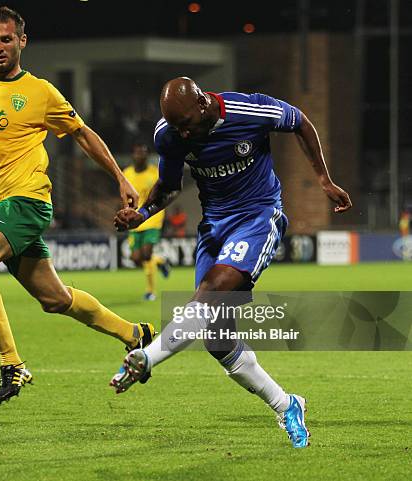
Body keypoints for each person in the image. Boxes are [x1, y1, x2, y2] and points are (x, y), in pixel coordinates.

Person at [0, 6, 154, 405]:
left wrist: (120, 178)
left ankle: (12, 363)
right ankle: (137, 334)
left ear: (21, 42)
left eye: (6, 39)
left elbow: (83, 134)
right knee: (56, 300)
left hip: (27, 200)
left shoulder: (40, 92)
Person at [110, 77, 352, 448]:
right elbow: (170, 186)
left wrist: (323, 180)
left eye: (187, 125)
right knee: (217, 339)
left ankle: (147, 357)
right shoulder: (170, 134)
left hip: (258, 216)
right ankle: (287, 404)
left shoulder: (249, 110)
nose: (183, 134)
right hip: (214, 227)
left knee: (212, 291)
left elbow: (300, 121)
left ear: (204, 105)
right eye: (177, 127)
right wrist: (141, 214)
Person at [123, 143, 171, 301]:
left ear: (147, 156)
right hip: (134, 220)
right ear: (133, 155)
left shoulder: (154, 173)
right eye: (137, 153)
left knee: (146, 254)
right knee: (136, 259)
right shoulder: (127, 173)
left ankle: (150, 291)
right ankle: (160, 261)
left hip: (152, 218)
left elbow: (163, 193)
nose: (140, 156)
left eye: (143, 153)